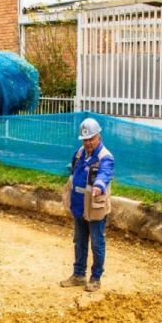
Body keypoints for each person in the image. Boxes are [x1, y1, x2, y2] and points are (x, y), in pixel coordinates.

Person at [60, 117, 115, 292]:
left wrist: (99, 186)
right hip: (79, 205)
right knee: (79, 241)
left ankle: (95, 277)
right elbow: (74, 171)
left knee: (97, 243)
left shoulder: (105, 157)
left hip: (95, 207)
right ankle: (78, 274)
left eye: (91, 139)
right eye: (85, 139)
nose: (88, 143)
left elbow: (105, 173)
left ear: (98, 137)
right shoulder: (79, 153)